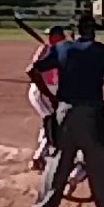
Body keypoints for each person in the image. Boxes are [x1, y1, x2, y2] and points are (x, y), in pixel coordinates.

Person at [27, 13, 104, 207]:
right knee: (101, 168)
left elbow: (32, 70)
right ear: (93, 31)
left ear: (75, 31)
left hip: (65, 112)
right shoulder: (101, 50)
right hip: (92, 114)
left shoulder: (62, 48)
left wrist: (51, 96)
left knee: (58, 165)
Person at [27, 26, 67, 171]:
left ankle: (43, 152)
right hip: (41, 91)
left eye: (51, 35)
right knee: (52, 123)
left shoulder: (61, 50)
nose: (48, 38)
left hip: (50, 91)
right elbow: (33, 69)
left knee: (51, 123)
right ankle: (39, 157)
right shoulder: (45, 49)